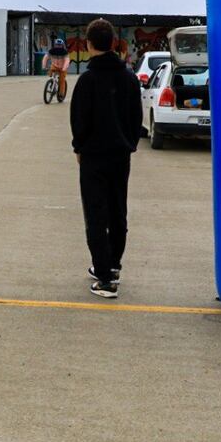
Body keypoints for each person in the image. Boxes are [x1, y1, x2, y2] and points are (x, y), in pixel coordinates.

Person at [70, 19, 143, 299]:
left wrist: (79, 148)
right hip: (120, 155)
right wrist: (129, 144)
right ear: (113, 43)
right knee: (117, 209)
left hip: (93, 156)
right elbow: (136, 117)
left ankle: (105, 279)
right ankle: (113, 265)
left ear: (89, 44)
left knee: (96, 214)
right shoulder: (129, 78)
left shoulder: (87, 80)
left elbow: (79, 120)